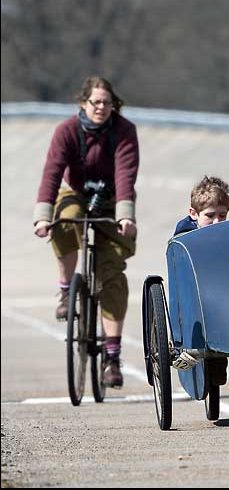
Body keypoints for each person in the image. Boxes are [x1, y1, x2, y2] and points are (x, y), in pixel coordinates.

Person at [33, 76, 139, 389]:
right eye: (95, 102)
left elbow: (125, 176)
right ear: (84, 103)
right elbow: (52, 173)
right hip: (76, 192)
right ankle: (66, 289)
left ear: (113, 105)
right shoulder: (66, 131)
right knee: (64, 220)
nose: (101, 108)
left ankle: (111, 356)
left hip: (111, 199)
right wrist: (42, 217)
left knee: (112, 274)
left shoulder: (124, 131)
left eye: (106, 102)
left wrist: (125, 217)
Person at [170, 176, 229, 382]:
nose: (216, 222)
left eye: (222, 215)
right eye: (210, 216)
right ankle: (213, 365)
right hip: (196, 303)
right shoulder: (183, 237)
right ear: (193, 214)